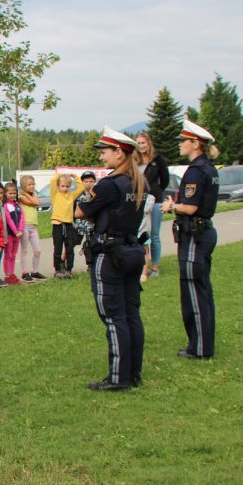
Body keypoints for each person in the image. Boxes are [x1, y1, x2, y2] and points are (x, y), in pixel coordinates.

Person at [75, 127, 147, 392]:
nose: (102, 157)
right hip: (132, 249)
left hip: (110, 254)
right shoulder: (138, 181)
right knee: (130, 316)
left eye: (104, 152)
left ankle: (119, 377)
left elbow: (81, 211)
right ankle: (134, 372)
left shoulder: (109, 185)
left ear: (119, 152)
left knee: (113, 316)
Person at [161, 119, 220, 359]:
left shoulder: (196, 170)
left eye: (183, 141)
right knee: (202, 290)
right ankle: (201, 344)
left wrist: (171, 206)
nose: (179, 145)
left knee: (194, 292)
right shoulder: (208, 168)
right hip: (203, 232)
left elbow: (191, 207)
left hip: (195, 234)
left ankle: (200, 348)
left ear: (195, 143)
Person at [136, 132, 170, 277]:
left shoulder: (158, 159)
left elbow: (165, 179)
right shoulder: (134, 160)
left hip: (155, 201)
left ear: (148, 143)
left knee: (154, 234)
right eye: (138, 143)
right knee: (142, 234)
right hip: (138, 201)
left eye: (143, 143)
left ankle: (155, 266)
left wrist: (156, 192)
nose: (141, 145)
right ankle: (143, 266)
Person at [49, 173, 77, 278]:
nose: (65, 188)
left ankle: (69, 269)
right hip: (57, 225)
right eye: (62, 186)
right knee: (58, 248)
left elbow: (81, 187)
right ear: (59, 186)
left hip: (69, 225)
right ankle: (58, 269)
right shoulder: (55, 195)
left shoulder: (71, 195)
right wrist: (61, 174)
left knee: (70, 248)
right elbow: (52, 181)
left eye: (67, 186)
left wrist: (73, 176)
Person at [17, 175, 44, 281]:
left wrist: (29, 194)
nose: (32, 186)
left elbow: (37, 203)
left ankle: (34, 271)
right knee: (24, 250)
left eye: (33, 184)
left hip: (33, 226)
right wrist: (25, 194)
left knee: (37, 250)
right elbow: (33, 202)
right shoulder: (21, 196)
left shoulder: (33, 194)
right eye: (29, 185)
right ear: (23, 186)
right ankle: (24, 272)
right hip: (24, 226)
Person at [1, 182, 24, 285]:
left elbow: (22, 217)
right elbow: (9, 220)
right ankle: (7, 275)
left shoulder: (18, 205)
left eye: (14, 193)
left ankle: (12, 273)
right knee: (8, 254)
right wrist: (15, 231)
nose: (13, 195)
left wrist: (20, 230)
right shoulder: (6, 206)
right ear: (5, 194)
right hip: (10, 234)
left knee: (14, 255)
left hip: (18, 234)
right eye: (10, 193)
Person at [73, 172, 97, 269]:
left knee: (91, 244)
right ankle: (63, 263)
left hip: (91, 225)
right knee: (71, 243)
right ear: (82, 182)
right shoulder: (78, 194)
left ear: (95, 182)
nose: (88, 183)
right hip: (79, 224)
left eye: (91, 181)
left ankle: (90, 264)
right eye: (86, 181)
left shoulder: (96, 194)